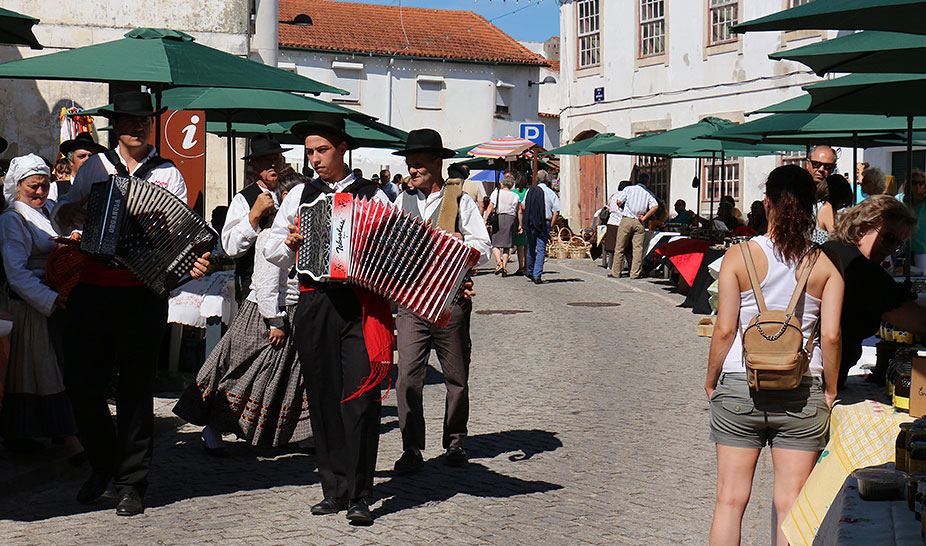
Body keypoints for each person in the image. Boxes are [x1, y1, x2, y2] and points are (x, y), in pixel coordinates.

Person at [51, 91, 210, 517]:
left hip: (142, 292)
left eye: (141, 121)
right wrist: (72, 215)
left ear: (150, 126)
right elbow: (64, 211)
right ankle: (104, 465)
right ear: (115, 125)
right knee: (82, 385)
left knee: (135, 390)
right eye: (126, 120)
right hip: (93, 286)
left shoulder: (168, 174)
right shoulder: (96, 166)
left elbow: (175, 231)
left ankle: (132, 482)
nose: (135, 127)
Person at [705, 165, 843, 546]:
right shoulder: (826, 266)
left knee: (729, 501)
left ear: (767, 203)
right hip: (802, 388)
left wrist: (711, 379)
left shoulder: (737, 257)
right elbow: (830, 335)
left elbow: (724, 329)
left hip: (740, 382)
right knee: (792, 504)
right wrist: (830, 389)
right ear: (812, 207)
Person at [264, 112, 390, 526]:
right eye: (309, 152)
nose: (314, 159)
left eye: (321, 151)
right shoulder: (299, 196)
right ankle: (333, 488)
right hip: (315, 301)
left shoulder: (374, 195)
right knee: (322, 396)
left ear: (342, 148)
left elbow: (396, 251)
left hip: (358, 305)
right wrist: (291, 242)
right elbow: (273, 252)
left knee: (359, 399)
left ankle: (359, 493)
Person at [174, 171, 311, 451]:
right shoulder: (271, 237)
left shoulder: (295, 235)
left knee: (281, 378)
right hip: (265, 314)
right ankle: (215, 426)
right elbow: (266, 282)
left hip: (289, 313)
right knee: (244, 373)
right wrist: (275, 320)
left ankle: (289, 433)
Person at [391, 128, 490, 474]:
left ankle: (456, 441)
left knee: (456, 377)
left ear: (437, 163)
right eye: (409, 165)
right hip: (411, 304)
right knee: (407, 378)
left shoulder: (460, 200)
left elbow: (484, 246)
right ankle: (411, 448)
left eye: (419, 165)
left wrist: (460, 244)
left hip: (450, 303)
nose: (412, 171)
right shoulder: (398, 201)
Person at [0, 154, 81, 457]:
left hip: (54, 298)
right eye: (34, 187)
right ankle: (66, 438)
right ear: (17, 186)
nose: (40, 192)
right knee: (41, 371)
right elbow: (16, 272)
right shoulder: (13, 219)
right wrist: (50, 299)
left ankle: (36, 433)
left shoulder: (47, 211)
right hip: (30, 305)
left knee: (47, 369)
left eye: (44, 186)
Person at [821, 195, 926, 386]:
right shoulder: (863, 271)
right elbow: (920, 323)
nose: (892, 249)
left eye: (899, 244)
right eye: (889, 238)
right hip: (823, 383)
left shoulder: (826, 250)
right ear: (861, 229)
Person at [222, 134, 290, 304]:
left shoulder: (294, 192)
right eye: (267, 160)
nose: (273, 164)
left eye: (276, 159)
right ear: (254, 165)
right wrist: (254, 216)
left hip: (291, 290)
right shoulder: (243, 199)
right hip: (256, 290)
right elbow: (231, 248)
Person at [610, 172, 658, 279]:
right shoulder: (648, 193)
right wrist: (645, 217)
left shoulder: (628, 189)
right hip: (639, 221)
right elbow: (655, 206)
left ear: (637, 180)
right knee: (637, 248)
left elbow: (618, 201)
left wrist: (623, 205)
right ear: (647, 182)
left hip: (627, 219)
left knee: (620, 247)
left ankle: (616, 272)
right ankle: (635, 273)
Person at [524, 170, 561, 284]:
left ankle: (529, 270)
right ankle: (537, 275)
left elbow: (524, 205)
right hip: (544, 223)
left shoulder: (530, 191)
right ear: (546, 179)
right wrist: (551, 225)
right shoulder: (550, 193)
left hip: (531, 222)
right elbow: (556, 211)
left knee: (531, 247)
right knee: (541, 249)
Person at [49, 132, 106, 203]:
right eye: (81, 156)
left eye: (91, 156)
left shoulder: (103, 188)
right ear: (71, 161)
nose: (87, 160)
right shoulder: (56, 188)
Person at [483, 173, 522, 276]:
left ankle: (499, 263)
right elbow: (519, 211)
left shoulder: (497, 193)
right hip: (511, 219)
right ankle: (504, 268)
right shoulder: (515, 196)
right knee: (507, 246)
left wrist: (485, 219)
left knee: (495, 243)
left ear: (503, 183)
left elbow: (491, 206)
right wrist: (520, 224)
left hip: (499, 218)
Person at [895, 169, 926, 271]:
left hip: (922, 250)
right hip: (902, 248)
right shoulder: (900, 200)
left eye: (922, 183)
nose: (918, 186)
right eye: (914, 183)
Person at [510, 173, 530, 275]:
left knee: (520, 246)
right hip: (527, 219)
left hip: (517, 220)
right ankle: (527, 265)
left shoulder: (512, 192)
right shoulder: (527, 191)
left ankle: (521, 266)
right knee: (526, 244)